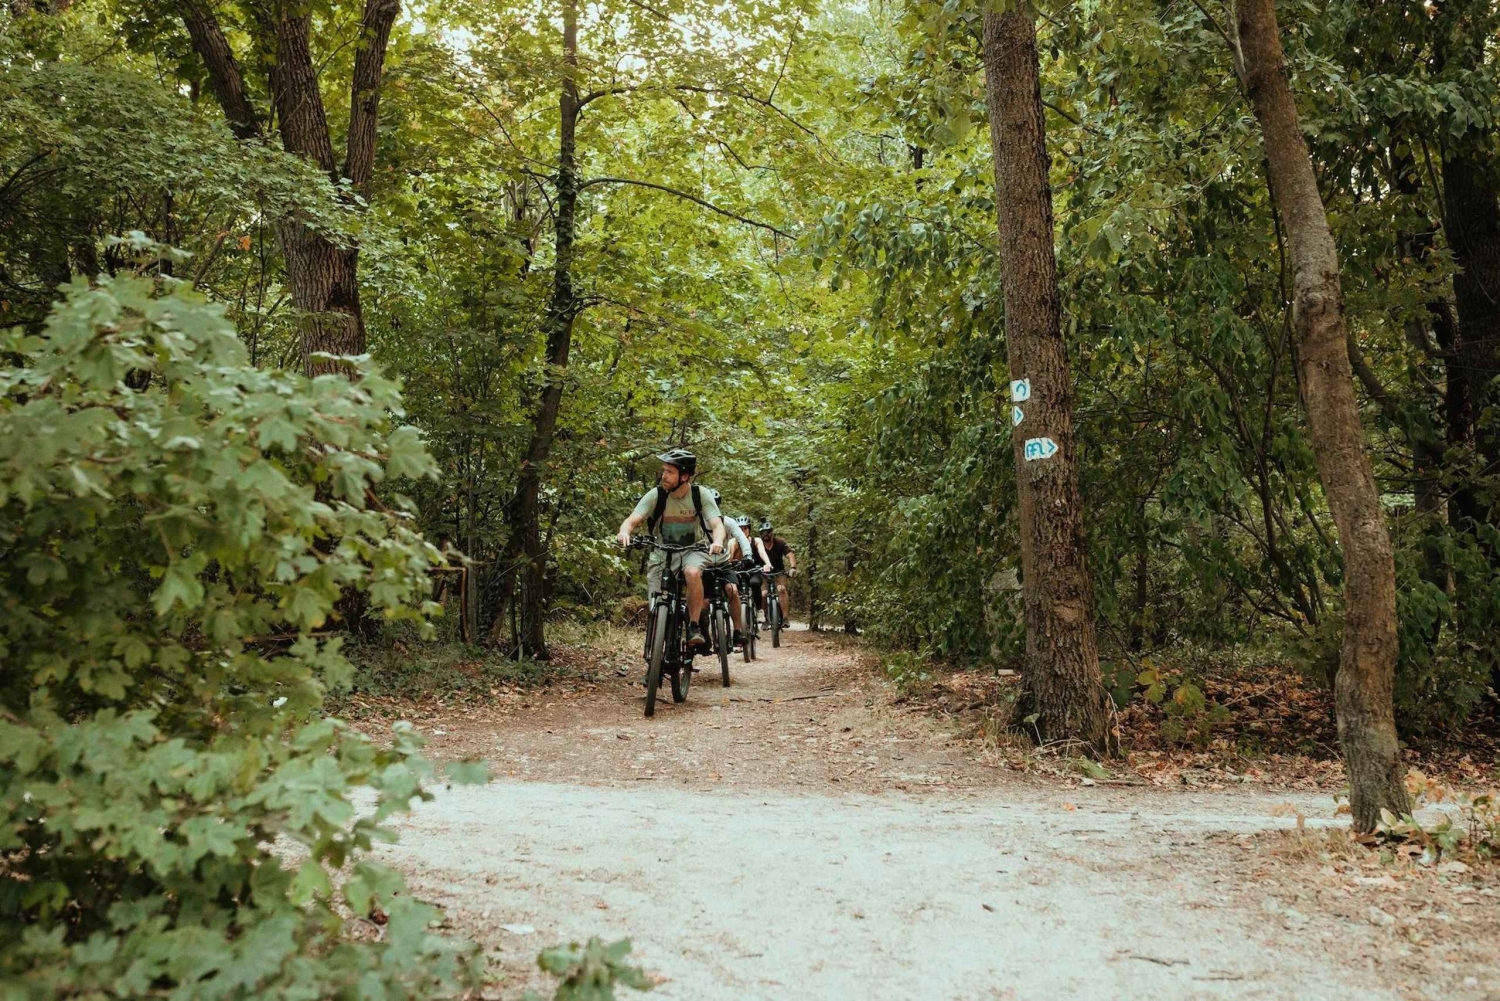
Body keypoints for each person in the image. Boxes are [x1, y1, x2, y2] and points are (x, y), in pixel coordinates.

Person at [616, 449, 725, 651]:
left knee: (692, 572)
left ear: (684, 476)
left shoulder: (700, 494)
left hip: (693, 550)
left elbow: (717, 524)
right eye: (664, 470)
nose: (664, 476)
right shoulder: (657, 495)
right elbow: (631, 520)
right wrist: (624, 532)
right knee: (656, 606)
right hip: (662, 552)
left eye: (669, 472)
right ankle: (657, 650)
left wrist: (717, 541)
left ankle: (693, 626)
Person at [706, 505, 772, 646]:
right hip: (737, 570)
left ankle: (758, 610)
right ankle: (738, 621)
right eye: (740, 528)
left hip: (753, 570)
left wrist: (767, 563)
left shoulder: (756, 541)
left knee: (754, 584)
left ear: (749, 529)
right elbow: (728, 557)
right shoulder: (732, 542)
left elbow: (762, 552)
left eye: (745, 528)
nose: (743, 531)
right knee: (732, 591)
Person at [758, 520, 796, 624]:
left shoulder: (779, 543)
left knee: (782, 589)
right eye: (763, 533)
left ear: (772, 532)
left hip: (779, 572)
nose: (765, 535)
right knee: (763, 594)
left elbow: (790, 555)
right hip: (763, 574)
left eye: (768, 532)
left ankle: (785, 618)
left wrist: (793, 567)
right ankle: (764, 618)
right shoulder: (758, 545)